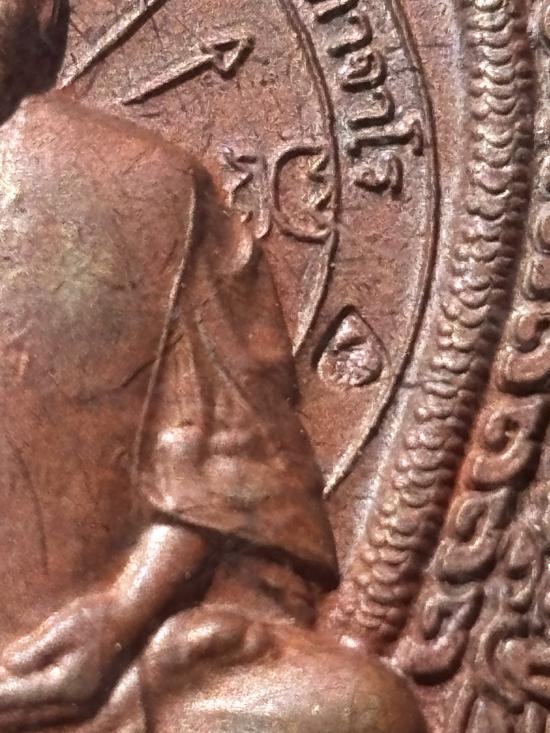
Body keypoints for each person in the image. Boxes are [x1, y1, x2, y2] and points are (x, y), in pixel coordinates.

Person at [0, 1, 426, 730]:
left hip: (106, 677)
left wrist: (122, 614)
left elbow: (226, 469)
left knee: (358, 709)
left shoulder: (151, 187)